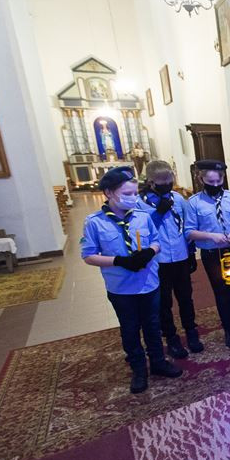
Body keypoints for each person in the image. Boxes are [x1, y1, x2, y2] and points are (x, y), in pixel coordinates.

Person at [81, 166, 182, 394]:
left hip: (149, 283)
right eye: (126, 194)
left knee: (153, 325)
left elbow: (156, 241)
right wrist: (119, 261)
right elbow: (88, 256)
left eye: (135, 193)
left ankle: (158, 362)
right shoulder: (95, 222)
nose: (133, 198)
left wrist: (150, 252)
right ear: (109, 193)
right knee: (130, 328)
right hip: (121, 287)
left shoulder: (142, 217)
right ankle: (138, 369)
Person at [184, 159, 230, 348]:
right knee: (221, 291)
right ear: (201, 180)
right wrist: (211, 236)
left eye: (218, 181)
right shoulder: (194, 203)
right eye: (210, 182)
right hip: (212, 254)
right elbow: (189, 232)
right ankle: (229, 330)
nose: (215, 185)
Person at [136, 160, 203, 359]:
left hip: (180, 256)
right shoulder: (141, 203)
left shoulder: (178, 199)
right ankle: (171, 338)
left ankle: (191, 331)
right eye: (161, 181)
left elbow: (187, 227)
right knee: (164, 302)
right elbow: (141, 231)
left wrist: (191, 253)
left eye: (169, 180)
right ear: (150, 181)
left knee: (186, 298)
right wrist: (158, 213)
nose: (166, 184)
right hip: (159, 260)